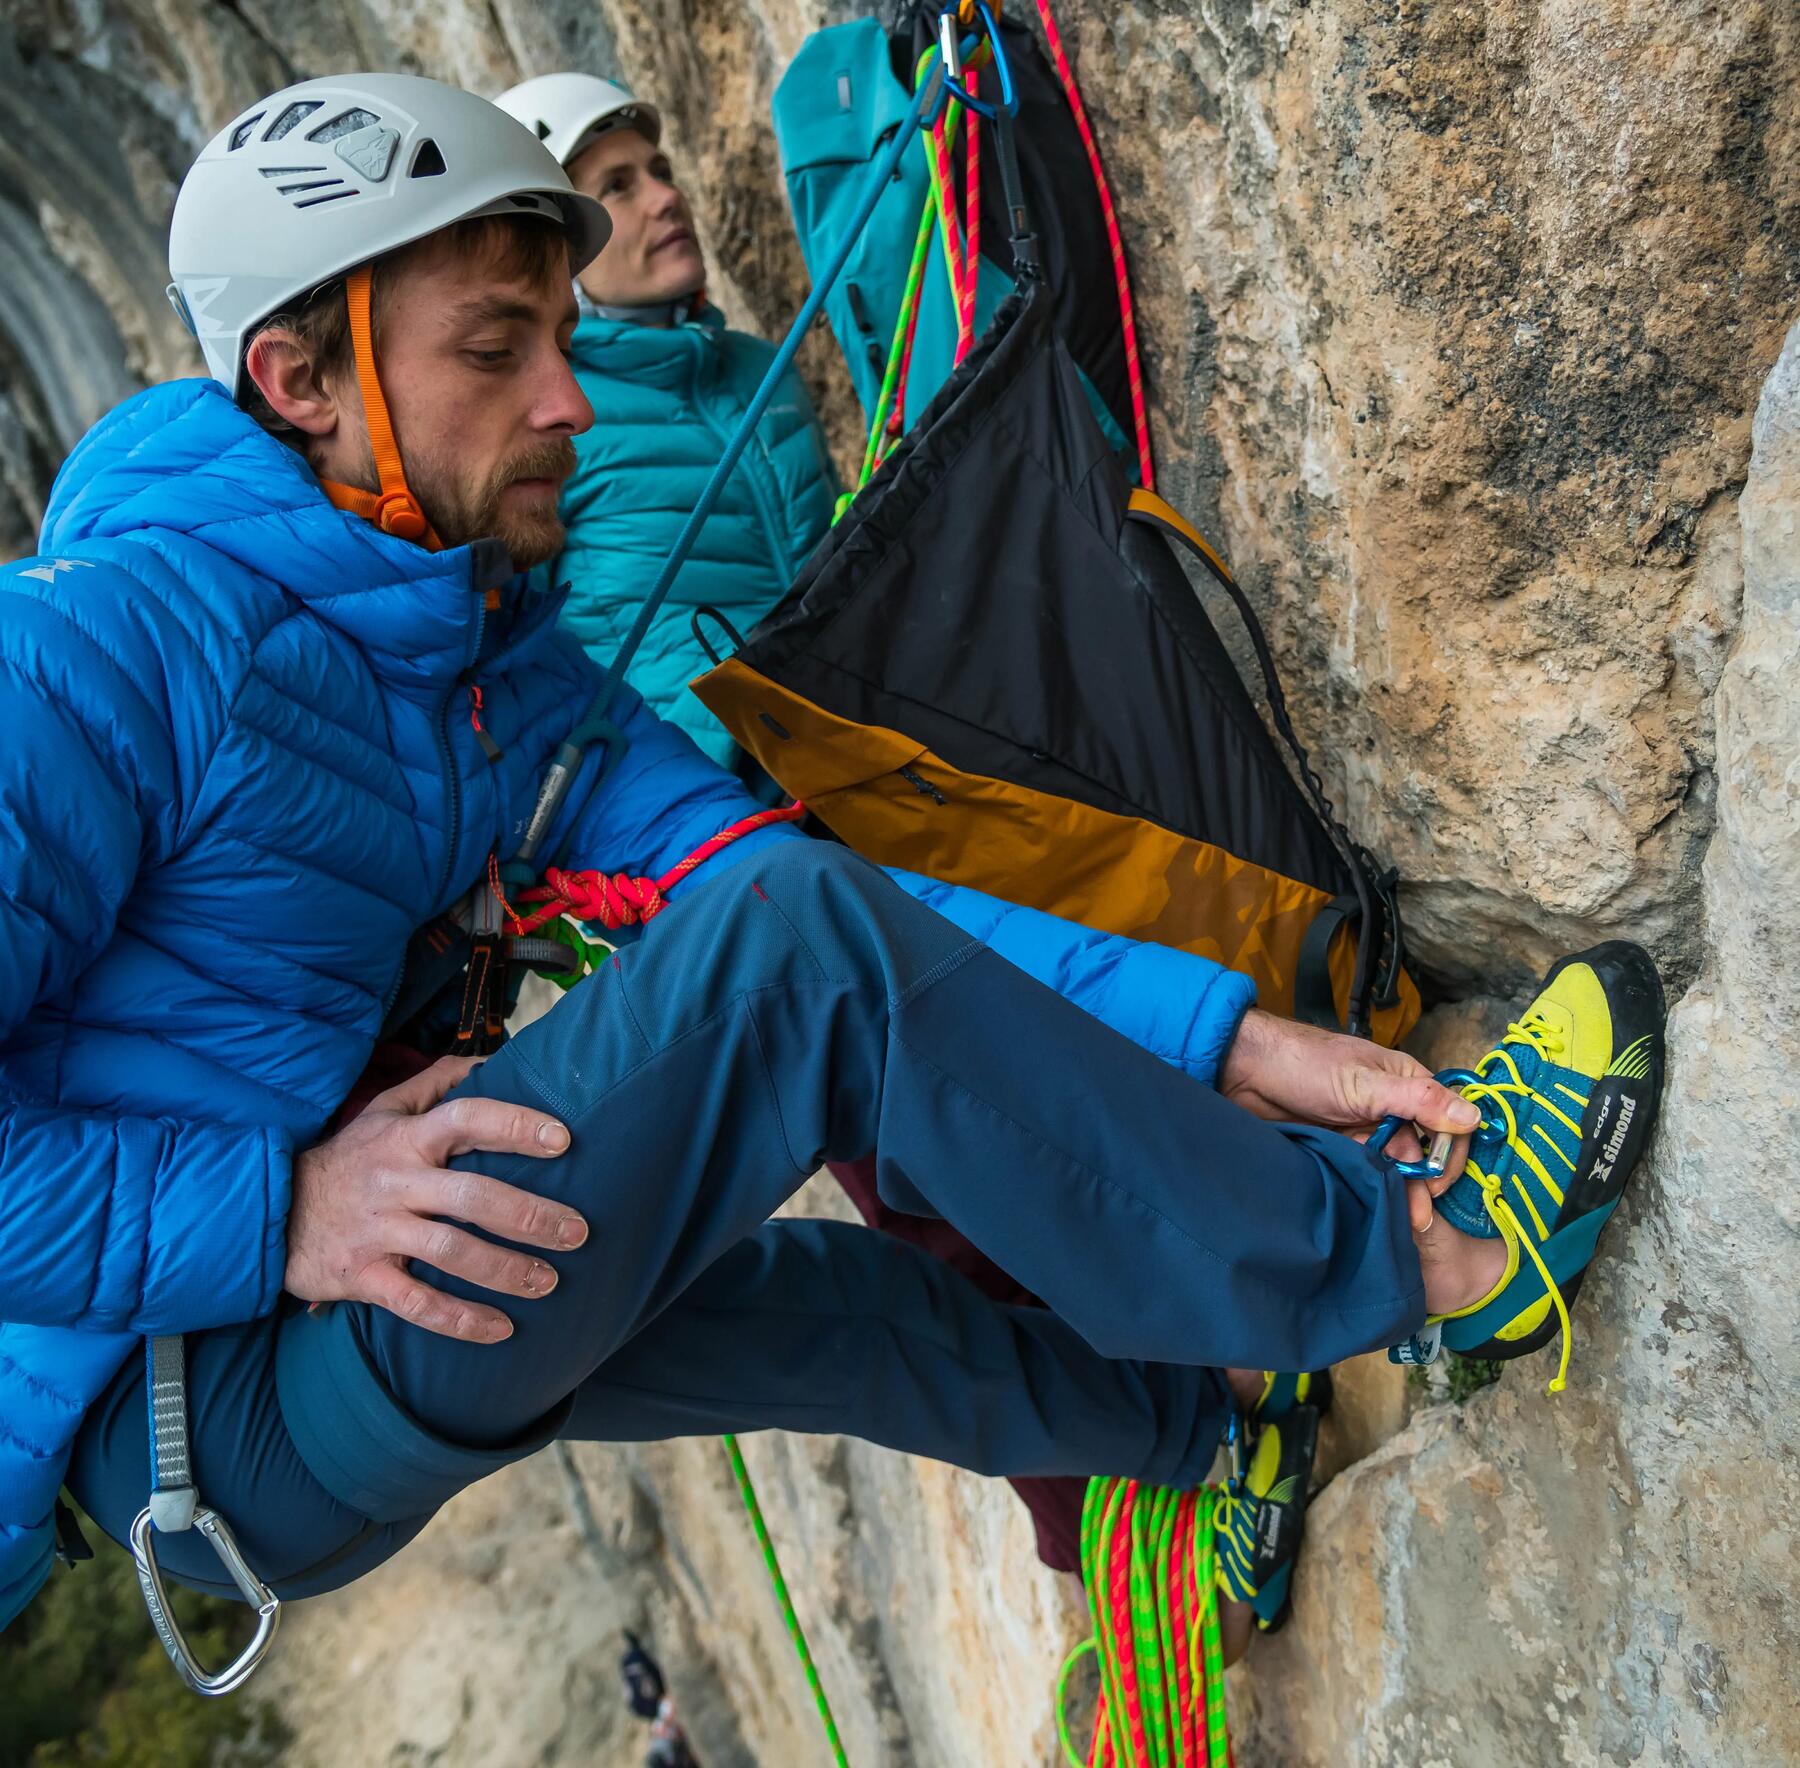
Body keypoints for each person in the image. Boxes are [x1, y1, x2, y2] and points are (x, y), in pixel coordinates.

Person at [0, 75, 1664, 1684]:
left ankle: (1202, 1435)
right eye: (495, 349)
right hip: (190, 1400)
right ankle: (1436, 1259)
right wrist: (277, 1210)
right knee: (787, 967)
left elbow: (818, 893)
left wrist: (1227, 1036)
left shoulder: (492, 676)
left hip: (277, 1383)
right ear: (299, 376)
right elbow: (803, 949)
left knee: (837, 1302)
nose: (566, 400)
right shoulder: (94, 649)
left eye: (560, 340)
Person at [493, 73, 838, 771]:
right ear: (549, 249)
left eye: (660, 171)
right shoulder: (543, 418)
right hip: (706, 805)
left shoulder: (758, 369)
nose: (666, 197)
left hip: (858, 749)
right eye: (618, 187)